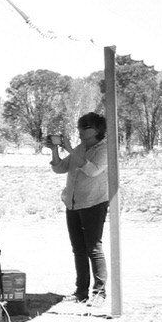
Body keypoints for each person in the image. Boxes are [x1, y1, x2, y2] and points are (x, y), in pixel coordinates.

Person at [48, 112, 110, 305]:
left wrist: (69, 149)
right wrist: (55, 150)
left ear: (97, 130)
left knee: (93, 247)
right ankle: (81, 291)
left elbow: (92, 171)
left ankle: (99, 293)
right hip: (73, 203)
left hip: (94, 202)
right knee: (78, 249)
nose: (81, 131)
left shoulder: (105, 149)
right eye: (80, 127)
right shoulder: (81, 147)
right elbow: (59, 168)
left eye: (86, 127)